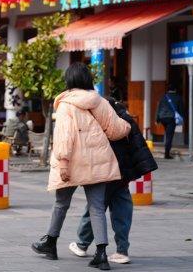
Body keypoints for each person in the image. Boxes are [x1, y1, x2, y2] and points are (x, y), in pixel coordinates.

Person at [31, 62, 131, 271]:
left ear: (69, 80)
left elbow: (64, 137)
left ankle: (50, 244)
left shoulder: (67, 104)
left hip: (73, 163)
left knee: (61, 204)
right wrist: (128, 125)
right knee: (96, 207)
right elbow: (115, 130)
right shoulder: (99, 101)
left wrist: (64, 164)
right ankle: (101, 254)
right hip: (98, 162)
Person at [69, 98, 158, 265]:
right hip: (123, 174)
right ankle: (122, 250)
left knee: (95, 208)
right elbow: (137, 146)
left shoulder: (102, 121)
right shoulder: (125, 117)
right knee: (122, 210)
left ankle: (82, 244)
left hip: (104, 172)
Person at [155, 84, 184, 159]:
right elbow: (181, 109)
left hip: (162, 118)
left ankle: (167, 150)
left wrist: (157, 119)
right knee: (169, 135)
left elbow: (159, 108)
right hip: (171, 118)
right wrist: (181, 118)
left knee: (167, 133)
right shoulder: (178, 97)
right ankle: (166, 154)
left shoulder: (163, 97)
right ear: (175, 89)